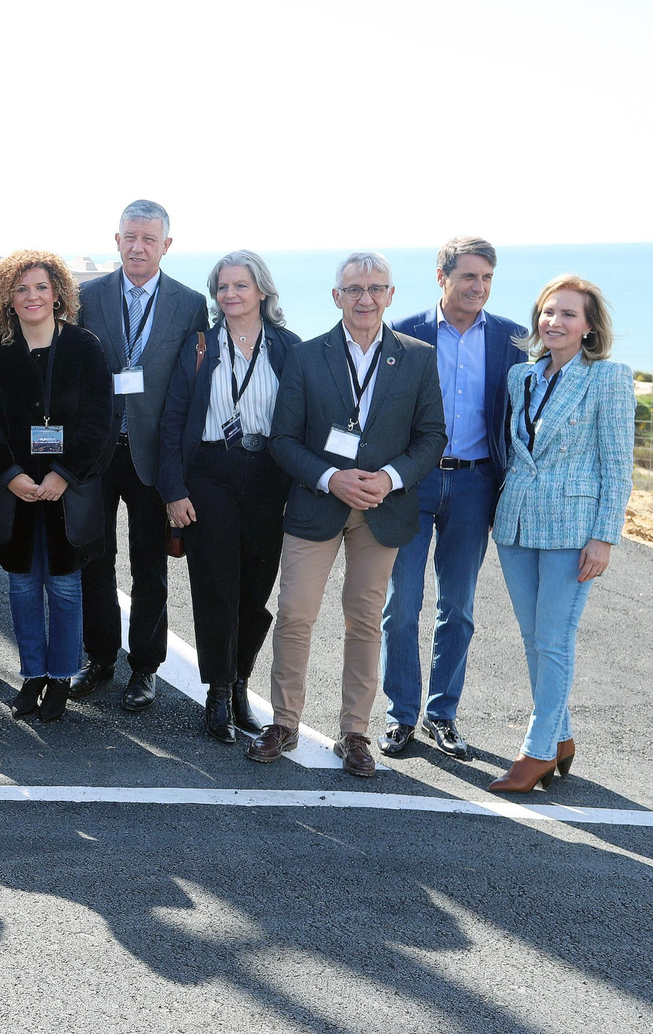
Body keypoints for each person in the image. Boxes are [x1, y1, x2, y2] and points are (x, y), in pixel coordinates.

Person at [250, 252, 446, 778]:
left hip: (383, 507)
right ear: (336, 296)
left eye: (376, 288)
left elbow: (432, 438)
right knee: (295, 614)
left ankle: (354, 732)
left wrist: (390, 478)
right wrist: (330, 477)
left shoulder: (418, 358)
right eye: (354, 289)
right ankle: (284, 723)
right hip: (317, 504)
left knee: (364, 621)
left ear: (390, 295)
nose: (365, 298)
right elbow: (283, 439)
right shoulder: (306, 356)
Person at [380, 237, 528, 760]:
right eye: (469, 276)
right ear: (441, 277)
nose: (478, 287)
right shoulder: (403, 331)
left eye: (486, 278)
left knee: (458, 607)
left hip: (475, 484)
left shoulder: (513, 338)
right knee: (401, 605)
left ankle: (442, 715)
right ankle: (401, 716)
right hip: (412, 481)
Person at [488, 276, 634, 793]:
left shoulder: (608, 378)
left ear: (589, 327)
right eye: (549, 312)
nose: (555, 322)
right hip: (516, 522)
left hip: (573, 529)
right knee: (534, 639)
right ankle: (562, 736)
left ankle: (537, 751)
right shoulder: (521, 376)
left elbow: (617, 466)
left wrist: (604, 537)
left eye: (569, 314)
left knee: (553, 640)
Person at [71, 200, 211, 710]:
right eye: (130, 236)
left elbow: (193, 385)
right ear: (117, 240)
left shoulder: (189, 303)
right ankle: (99, 657)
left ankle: (145, 668)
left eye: (149, 239)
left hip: (155, 453)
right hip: (97, 452)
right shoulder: (87, 297)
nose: (138, 247)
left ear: (166, 246)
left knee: (149, 566)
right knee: (94, 559)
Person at [158, 251, 298, 743]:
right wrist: (174, 490)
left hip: (268, 476)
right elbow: (173, 420)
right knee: (215, 587)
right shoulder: (199, 345)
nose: (231, 294)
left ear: (262, 290)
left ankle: (240, 685)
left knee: (255, 593)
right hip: (210, 474)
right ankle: (217, 693)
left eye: (241, 285)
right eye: (223, 286)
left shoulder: (287, 347)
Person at [0, 252, 112, 722]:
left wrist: (63, 474)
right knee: (23, 586)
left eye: (41, 287)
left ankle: (60, 676)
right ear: (8, 299)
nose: (32, 296)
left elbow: (98, 421)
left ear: (58, 294)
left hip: (67, 492)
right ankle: (33, 674)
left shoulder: (84, 347)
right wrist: (10, 475)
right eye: (22, 289)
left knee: (66, 588)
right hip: (16, 492)